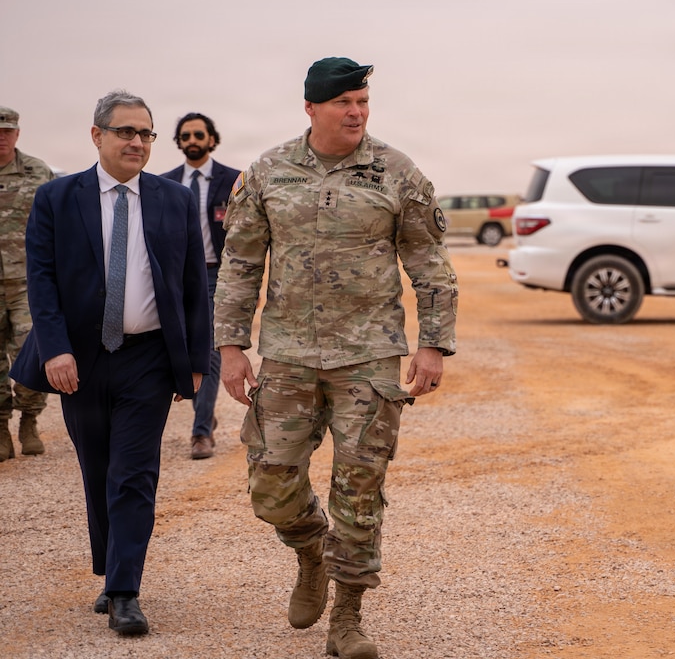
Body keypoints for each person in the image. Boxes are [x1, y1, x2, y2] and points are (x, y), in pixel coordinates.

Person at [214, 57, 458, 659]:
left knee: (360, 487)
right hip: (290, 354)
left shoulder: (396, 172)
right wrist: (231, 348)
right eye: (344, 102)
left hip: (369, 357)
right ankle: (310, 550)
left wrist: (432, 343)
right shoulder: (267, 172)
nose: (356, 112)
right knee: (270, 487)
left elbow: (429, 265)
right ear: (311, 107)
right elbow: (240, 266)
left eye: (363, 101)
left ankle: (347, 620)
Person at [11, 90, 209, 636]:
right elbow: (42, 280)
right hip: (80, 360)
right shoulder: (56, 198)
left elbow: (194, 285)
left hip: (147, 358)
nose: (137, 142)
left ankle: (125, 589)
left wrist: (196, 360)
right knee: (97, 471)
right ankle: (110, 570)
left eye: (145, 133)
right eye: (126, 132)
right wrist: (54, 349)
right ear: (97, 136)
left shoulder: (172, 200)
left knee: (134, 474)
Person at [161, 112, 239, 460]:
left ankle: (200, 433)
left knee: (209, 350)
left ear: (212, 139)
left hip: (216, 276)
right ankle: (205, 413)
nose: (192, 140)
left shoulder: (234, 180)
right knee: (176, 350)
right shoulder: (164, 184)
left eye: (198, 134)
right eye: (185, 135)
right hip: (175, 279)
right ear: (178, 142)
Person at [0, 106, 54, 461]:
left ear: (17, 134)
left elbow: (56, 226)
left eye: (7, 131)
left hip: (27, 283)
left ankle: (29, 419)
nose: (1, 137)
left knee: (33, 353)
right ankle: (1, 428)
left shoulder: (39, 173)